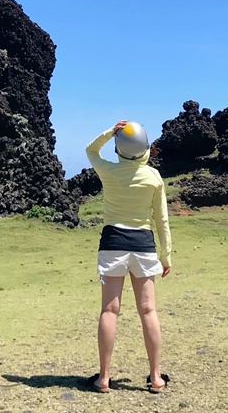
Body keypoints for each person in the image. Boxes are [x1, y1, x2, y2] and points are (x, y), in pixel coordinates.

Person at [83, 120, 172, 393]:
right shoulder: (153, 177)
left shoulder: (108, 171)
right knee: (148, 310)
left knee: (109, 310)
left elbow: (90, 151)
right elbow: (162, 220)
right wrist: (165, 255)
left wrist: (111, 132)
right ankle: (156, 378)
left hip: (112, 243)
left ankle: (104, 379)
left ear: (119, 149)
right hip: (144, 245)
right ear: (145, 148)